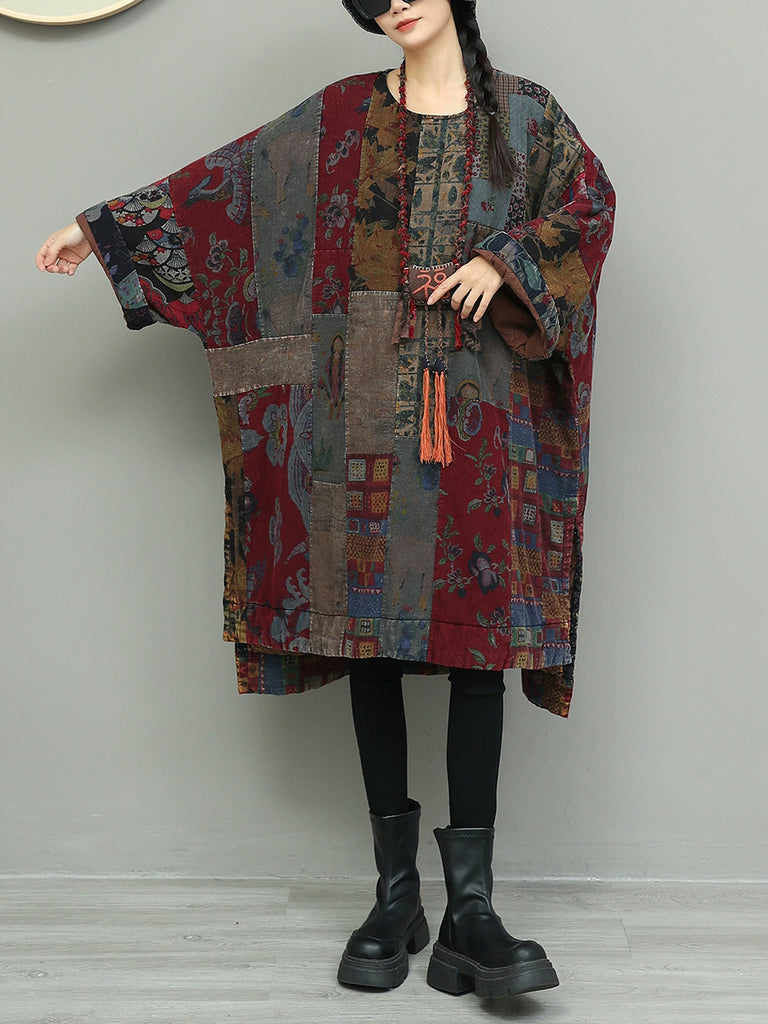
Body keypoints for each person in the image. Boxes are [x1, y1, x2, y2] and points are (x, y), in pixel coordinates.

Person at [36, 0, 615, 1003]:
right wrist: (102, 231)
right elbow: (228, 193)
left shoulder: (526, 120)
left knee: (478, 650)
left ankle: (472, 911)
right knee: (368, 640)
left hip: (484, 422)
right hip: (359, 423)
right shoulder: (339, 117)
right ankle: (396, 897)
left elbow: (590, 209)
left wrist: (503, 260)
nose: (396, 1)